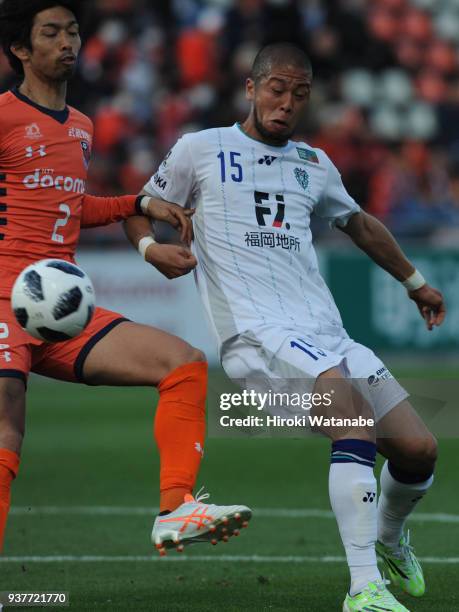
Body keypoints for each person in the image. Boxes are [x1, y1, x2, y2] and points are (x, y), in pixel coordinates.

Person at [125, 43, 445, 610]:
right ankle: (363, 585)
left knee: (419, 450)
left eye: (300, 93)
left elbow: (360, 223)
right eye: (277, 89)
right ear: (251, 89)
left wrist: (414, 281)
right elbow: (139, 203)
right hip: (257, 335)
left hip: (325, 331)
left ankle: (390, 539)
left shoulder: (314, 164)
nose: (287, 102)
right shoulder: (201, 149)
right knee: (353, 419)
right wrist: (151, 246)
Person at [0, 0, 251, 557]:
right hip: (3, 302)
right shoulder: (3, 116)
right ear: (20, 48)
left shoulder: (82, 128)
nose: (68, 41)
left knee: (183, 363)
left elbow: (70, 206)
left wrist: (138, 209)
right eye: (51, 32)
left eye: (72, 30)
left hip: (60, 311)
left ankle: (175, 510)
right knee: (7, 429)